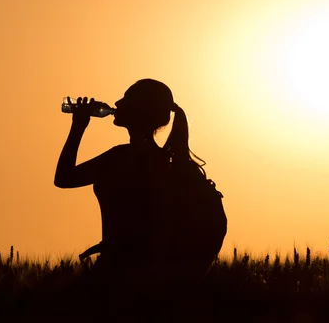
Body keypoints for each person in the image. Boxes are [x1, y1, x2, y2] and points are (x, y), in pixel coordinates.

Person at [54, 78, 224, 316]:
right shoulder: (170, 165)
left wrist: (78, 127)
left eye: (126, 99)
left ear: (140, 111)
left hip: (116, 277)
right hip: (157, 281)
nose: (117, 103)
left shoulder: (120, 158)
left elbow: (63, 178)